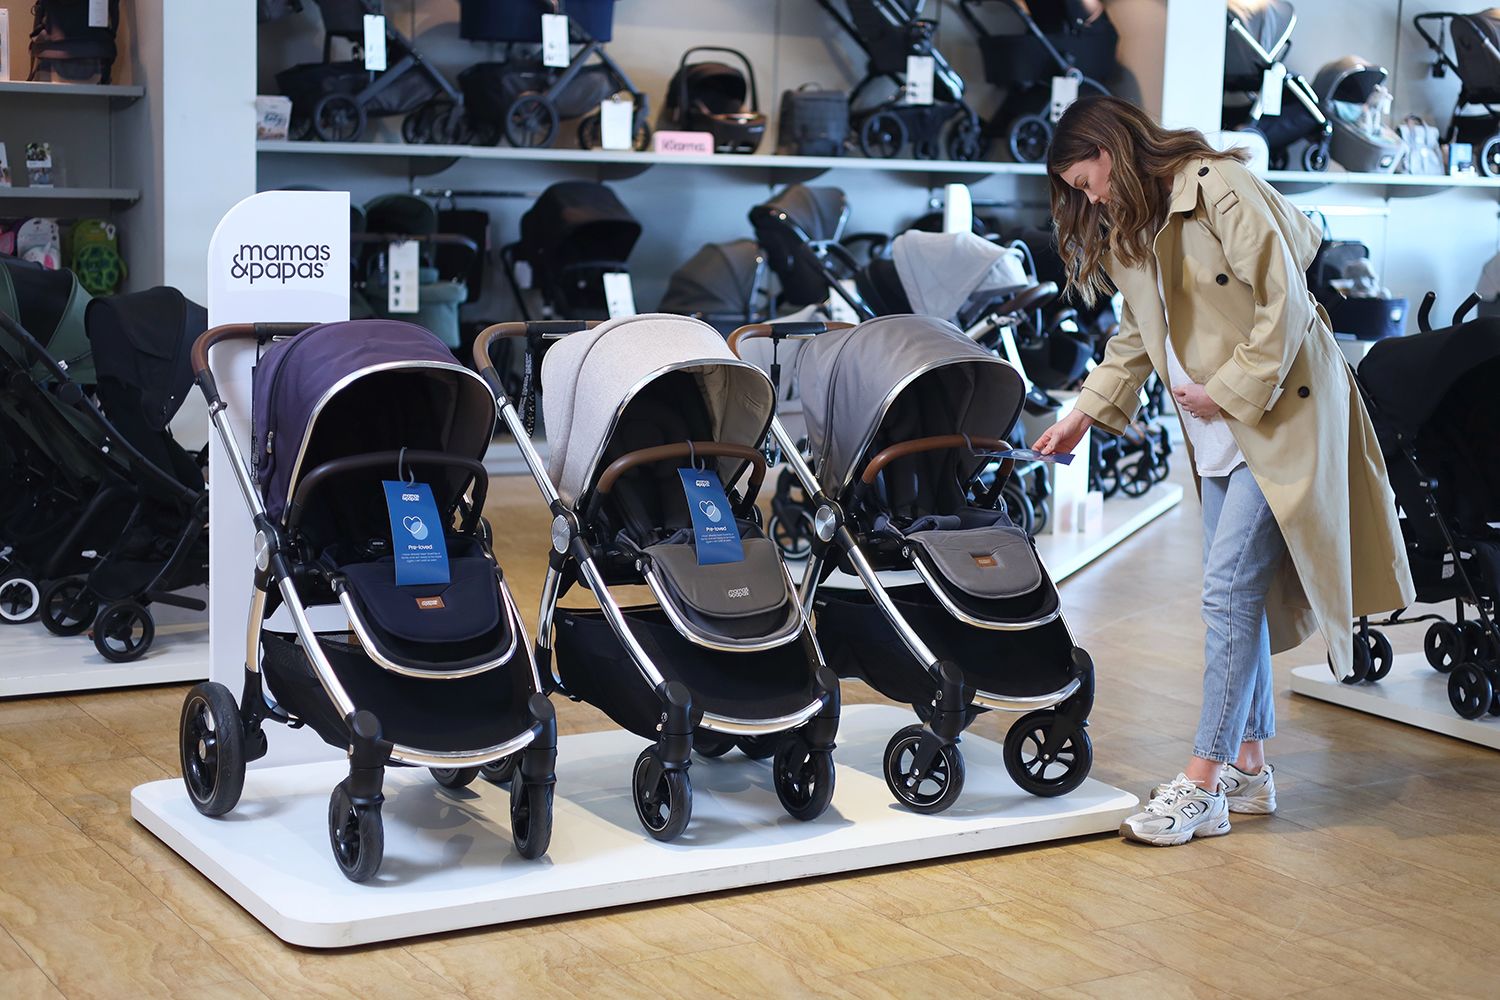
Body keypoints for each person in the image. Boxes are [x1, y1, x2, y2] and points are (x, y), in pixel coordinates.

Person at [1032, 95, 1414, 846]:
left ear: (1111, 145)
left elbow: (1287, 304)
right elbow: (1136, 339)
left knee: (1227, 590)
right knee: (1244, 598)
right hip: (1214, 435)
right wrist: (1084, 411)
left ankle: (1203, 781)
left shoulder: (1218, 187)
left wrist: (1227, 390)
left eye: (1088, 179)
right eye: (1078, 192)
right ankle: (1249, 762)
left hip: (1278, 416)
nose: (1091, 196)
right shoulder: (1132, 233)